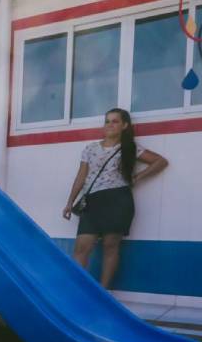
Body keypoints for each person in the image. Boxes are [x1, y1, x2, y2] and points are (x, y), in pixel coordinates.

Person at [62, 108, 168, 289]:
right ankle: (76, 291)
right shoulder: (90, 149)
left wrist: (137, 178)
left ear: (124, 125)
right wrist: (70, 201)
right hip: (92, 201)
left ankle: (103, 293)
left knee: (111, 246)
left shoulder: (130, 148)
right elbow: (81, 176)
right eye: (107, 121)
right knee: (82, 247)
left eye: (115, 121)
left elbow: (160, 161)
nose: (110, 125)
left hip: (118, 200)